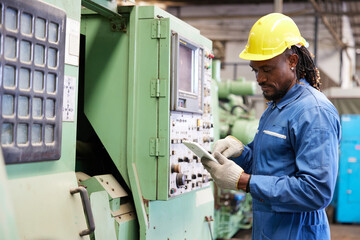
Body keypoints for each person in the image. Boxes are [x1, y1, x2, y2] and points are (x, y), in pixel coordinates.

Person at [201, 13, 341, 240]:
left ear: (292, 61)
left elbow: (317, 191)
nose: (259, 79)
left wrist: (243, 181)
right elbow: (265, 162)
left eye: (267, 69)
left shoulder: (313, 112)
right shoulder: (277, 106)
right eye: (256, 70)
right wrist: (238, 151)